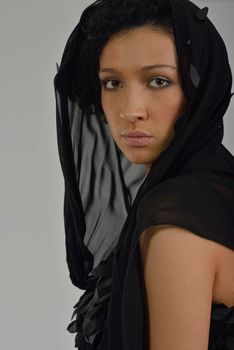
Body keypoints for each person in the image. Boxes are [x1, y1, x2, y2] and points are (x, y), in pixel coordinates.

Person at [53, 0, 234, 349]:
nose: (130, 110)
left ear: (199, 89)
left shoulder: (175, 224)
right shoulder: (218, 189)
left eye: (158, 80)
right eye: (112, 83)